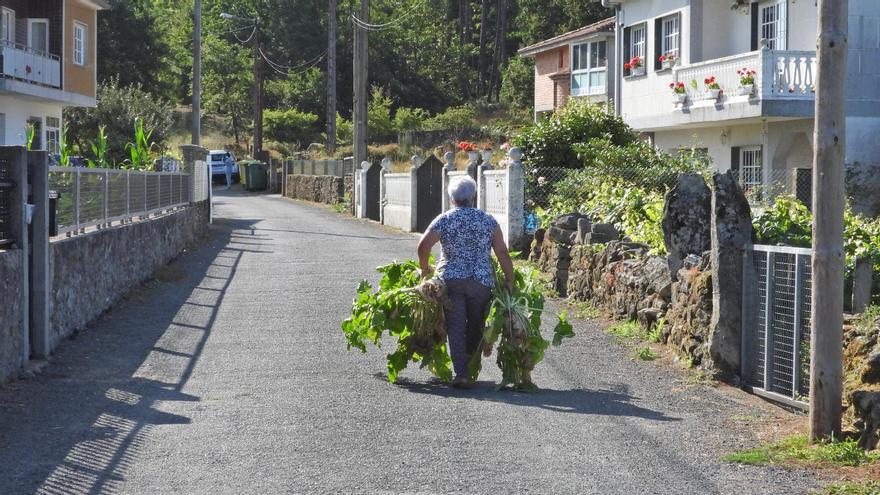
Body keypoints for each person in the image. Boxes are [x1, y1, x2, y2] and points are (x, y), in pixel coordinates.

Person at [417, 176, 514, 388]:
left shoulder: (444, 219)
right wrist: (509, 278)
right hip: (480, 281)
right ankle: (469, 359)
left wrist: (425, 269)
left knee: (455, 325)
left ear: (452, 199)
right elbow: (502, 253)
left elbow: (423, 246)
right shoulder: (487, 220)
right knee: (476, 322)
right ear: (474, 197)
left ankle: (461, 373)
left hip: (450, 281)